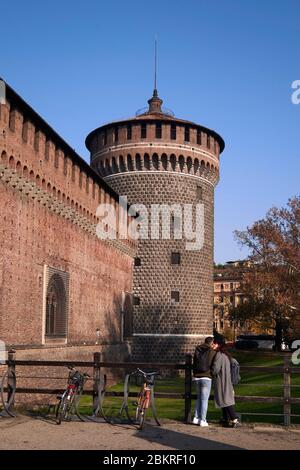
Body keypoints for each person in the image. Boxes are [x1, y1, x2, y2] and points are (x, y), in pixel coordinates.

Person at [211, 341, 240, 428]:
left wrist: (211, 371)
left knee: (226, 400)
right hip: (227, 380)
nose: (213, 345)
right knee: (225, 400)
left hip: (222, 381)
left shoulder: (219, 355)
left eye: (214, 344)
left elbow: (216, 369)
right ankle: (225, 419)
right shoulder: (227, 356)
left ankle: (234, 419)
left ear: (219, 346)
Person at [192, 336, 217, 427]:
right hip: (206, 378)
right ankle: (203, 420)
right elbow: (214, 365)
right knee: (204, 400)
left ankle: (196, 418)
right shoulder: (212, 352)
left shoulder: (198, 349)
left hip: (197, 377)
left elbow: (194, 362)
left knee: (199, 398)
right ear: (211, 343)